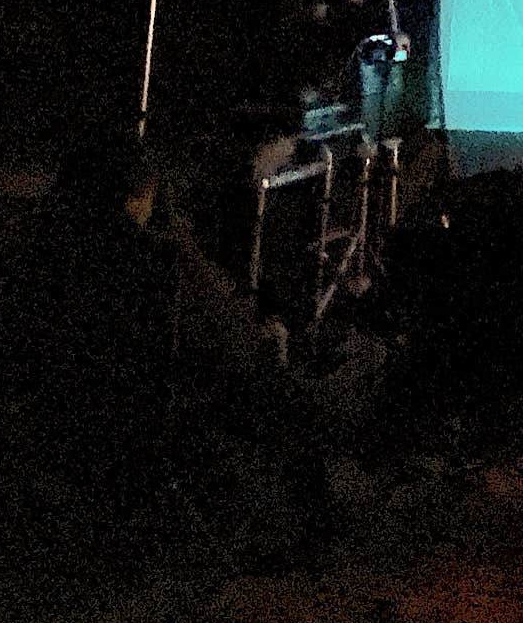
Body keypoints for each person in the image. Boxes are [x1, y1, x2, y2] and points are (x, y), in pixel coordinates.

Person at [20, 127, 347, 566]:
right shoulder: (157, 260)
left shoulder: (41, 250)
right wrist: (265, 337)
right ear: (136, 193)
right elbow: (230, 341)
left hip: (53, 409)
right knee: (286, 400)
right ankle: (316, 534)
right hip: (151, 409)